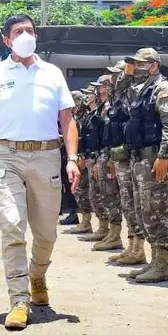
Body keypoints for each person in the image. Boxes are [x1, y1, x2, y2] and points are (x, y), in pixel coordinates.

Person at [0, 14, 80, 331]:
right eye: (18, 31)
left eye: (30, 30)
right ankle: (19, 301)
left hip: (47, 155)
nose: (25, 35)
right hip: (6, 157)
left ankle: (38, 274)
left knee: (47, 234)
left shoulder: (52, 73)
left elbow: (68, 120)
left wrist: (71, 158)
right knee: (13, 226)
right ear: (6, 40)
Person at [122, 47, 168, 284]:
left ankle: (162, 264)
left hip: (154, 158)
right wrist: (126, 74)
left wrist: (164, 155)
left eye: (141, 64)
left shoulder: (162, 89)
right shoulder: (140, 90)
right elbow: (121, 96)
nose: (136, 68)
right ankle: (154, 261)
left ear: (154, 65)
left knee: (156, 211)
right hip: (139, 158)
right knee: (142, 210)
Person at [103, 61, 147, 265]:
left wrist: (127, 76)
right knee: (128, 204)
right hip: (122, 154)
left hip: (134, 155)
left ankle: (138, 249)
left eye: (116, 74)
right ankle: (132, 246)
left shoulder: (134, 92)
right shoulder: (119, 95)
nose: (114, 79)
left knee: (135, 205)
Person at [87, 74, 123, 252]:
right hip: (101, 155)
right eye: (100, 86)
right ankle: (108, 230)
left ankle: (115, 234)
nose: (100, 89)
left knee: (111, 195)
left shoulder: (112, 105)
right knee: (103, 194)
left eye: (103, 85)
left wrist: (109, 157)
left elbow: (112, 136)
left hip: (109, 155)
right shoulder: (102, 107)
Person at [77, 84, 110, 244]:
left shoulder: (104, 110)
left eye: (90, 93)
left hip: (101, 157)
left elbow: (103, 138)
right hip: (92, 157)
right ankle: (102, 228)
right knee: (94, 194)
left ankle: (107, 230)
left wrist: (98, 158)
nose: (88, 95)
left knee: (104, 195)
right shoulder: (92, 114)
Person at [63, 90, 94, 235]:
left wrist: (83, 155)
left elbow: (86, 138)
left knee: (87, 191)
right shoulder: (76, 116)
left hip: (84, 158)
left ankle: (88, 222)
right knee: (80, 192)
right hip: (79, 157)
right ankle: (85, 221)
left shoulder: (85, 117)